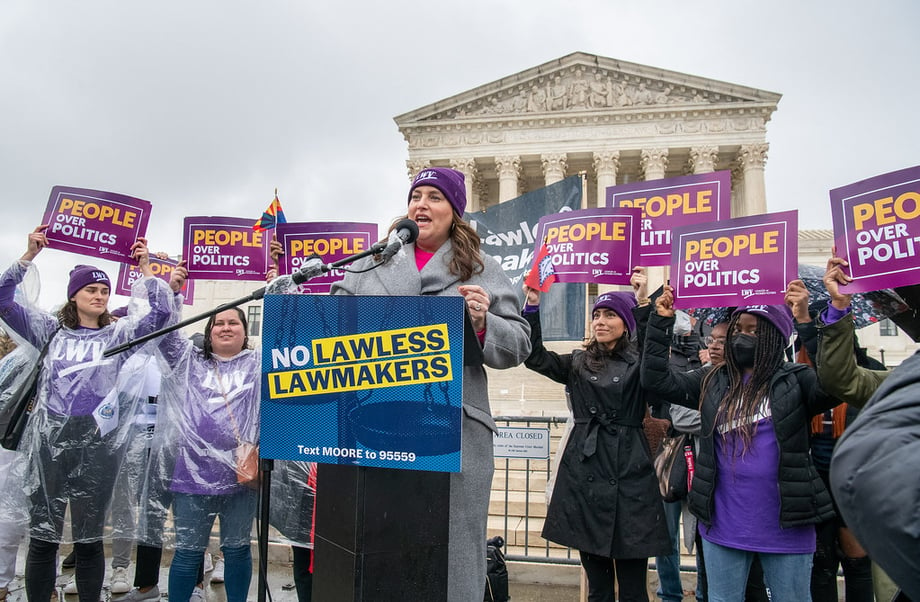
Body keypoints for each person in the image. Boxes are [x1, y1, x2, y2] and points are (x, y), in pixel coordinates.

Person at [321, 167, 531, 601]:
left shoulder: (481, 268)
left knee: (451, 554)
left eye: (435, 196)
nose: (421, 204)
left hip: (451, 431)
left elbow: (519, 344)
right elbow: (330, 324)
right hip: (374, 426)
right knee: (380, 543)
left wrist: (480, 323)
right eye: (416, 195)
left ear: (455, 212)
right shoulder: (369, 262)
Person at [0, 226, 174, 602]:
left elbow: (161, 311)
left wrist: (146, 268)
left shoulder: (117, 336)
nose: (99, 296)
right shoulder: (49, 330)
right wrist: (29, 254)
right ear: (73, 295)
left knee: (89, 539)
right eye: (91, 289)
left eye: (104, 290)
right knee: (44, 537)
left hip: (97, 443)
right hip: (49, 442)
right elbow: (3, 300)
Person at [641, 285, 838, 601]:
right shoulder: (712, 380)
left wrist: (805, 322)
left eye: (754, 331)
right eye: (738, 329)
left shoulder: (797, 380)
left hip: (787, 525)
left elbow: (834, 382)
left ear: (775, 337)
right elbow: (657, 381)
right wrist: (661, 322)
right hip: (724, 523)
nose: (742, 336)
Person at [522, 268, 671, 602]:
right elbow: (535, 358)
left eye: (610, 315)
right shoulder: (578, 362)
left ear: (626, 322)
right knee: (598, 588)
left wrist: (643, 301)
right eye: (597, 315)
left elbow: (656, 359)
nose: (600, 321)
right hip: (586, 472)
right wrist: (532, 305)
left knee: (633, 588)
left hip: (631, 475)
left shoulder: (640, 363)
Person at [156, 262, 261, 602]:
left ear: (245, 332)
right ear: (209, 331)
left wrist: (281, 291)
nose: (226, 327)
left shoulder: (260, 363)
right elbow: (165, 334)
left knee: (237, 549)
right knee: (187, 551)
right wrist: (173, 293)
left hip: (243, 475)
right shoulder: (189, 360)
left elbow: (291, 338)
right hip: (192, 475)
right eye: (219, 323)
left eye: (234, 322)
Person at [786, 278, 875, 602]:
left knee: (856, 559)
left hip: (853, 479)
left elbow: (835, 373)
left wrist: (809, 321)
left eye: (832, 331)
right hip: (814, 477)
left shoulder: (864, 370)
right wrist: (804, 319)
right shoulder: (798, 373)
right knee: (820, 561)